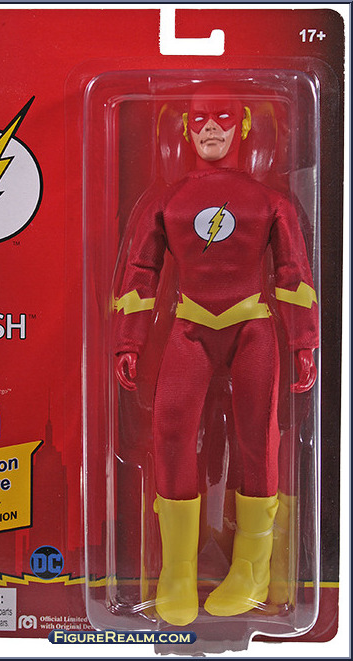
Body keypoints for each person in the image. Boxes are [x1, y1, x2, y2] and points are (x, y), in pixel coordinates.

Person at [113, 83, 319, 624]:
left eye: (223, 117)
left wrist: (303, 341)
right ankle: (177, 570)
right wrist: (129, 340)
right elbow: (141, 274)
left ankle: (252, 568)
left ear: (244, 125)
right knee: (170, 432)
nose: (210, 127)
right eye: (200, 117)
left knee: (260, 438)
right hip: (189, 326)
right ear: (185, 128)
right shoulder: (168, 201)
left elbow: (293, 274)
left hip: (253, 326)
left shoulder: (271, 202)